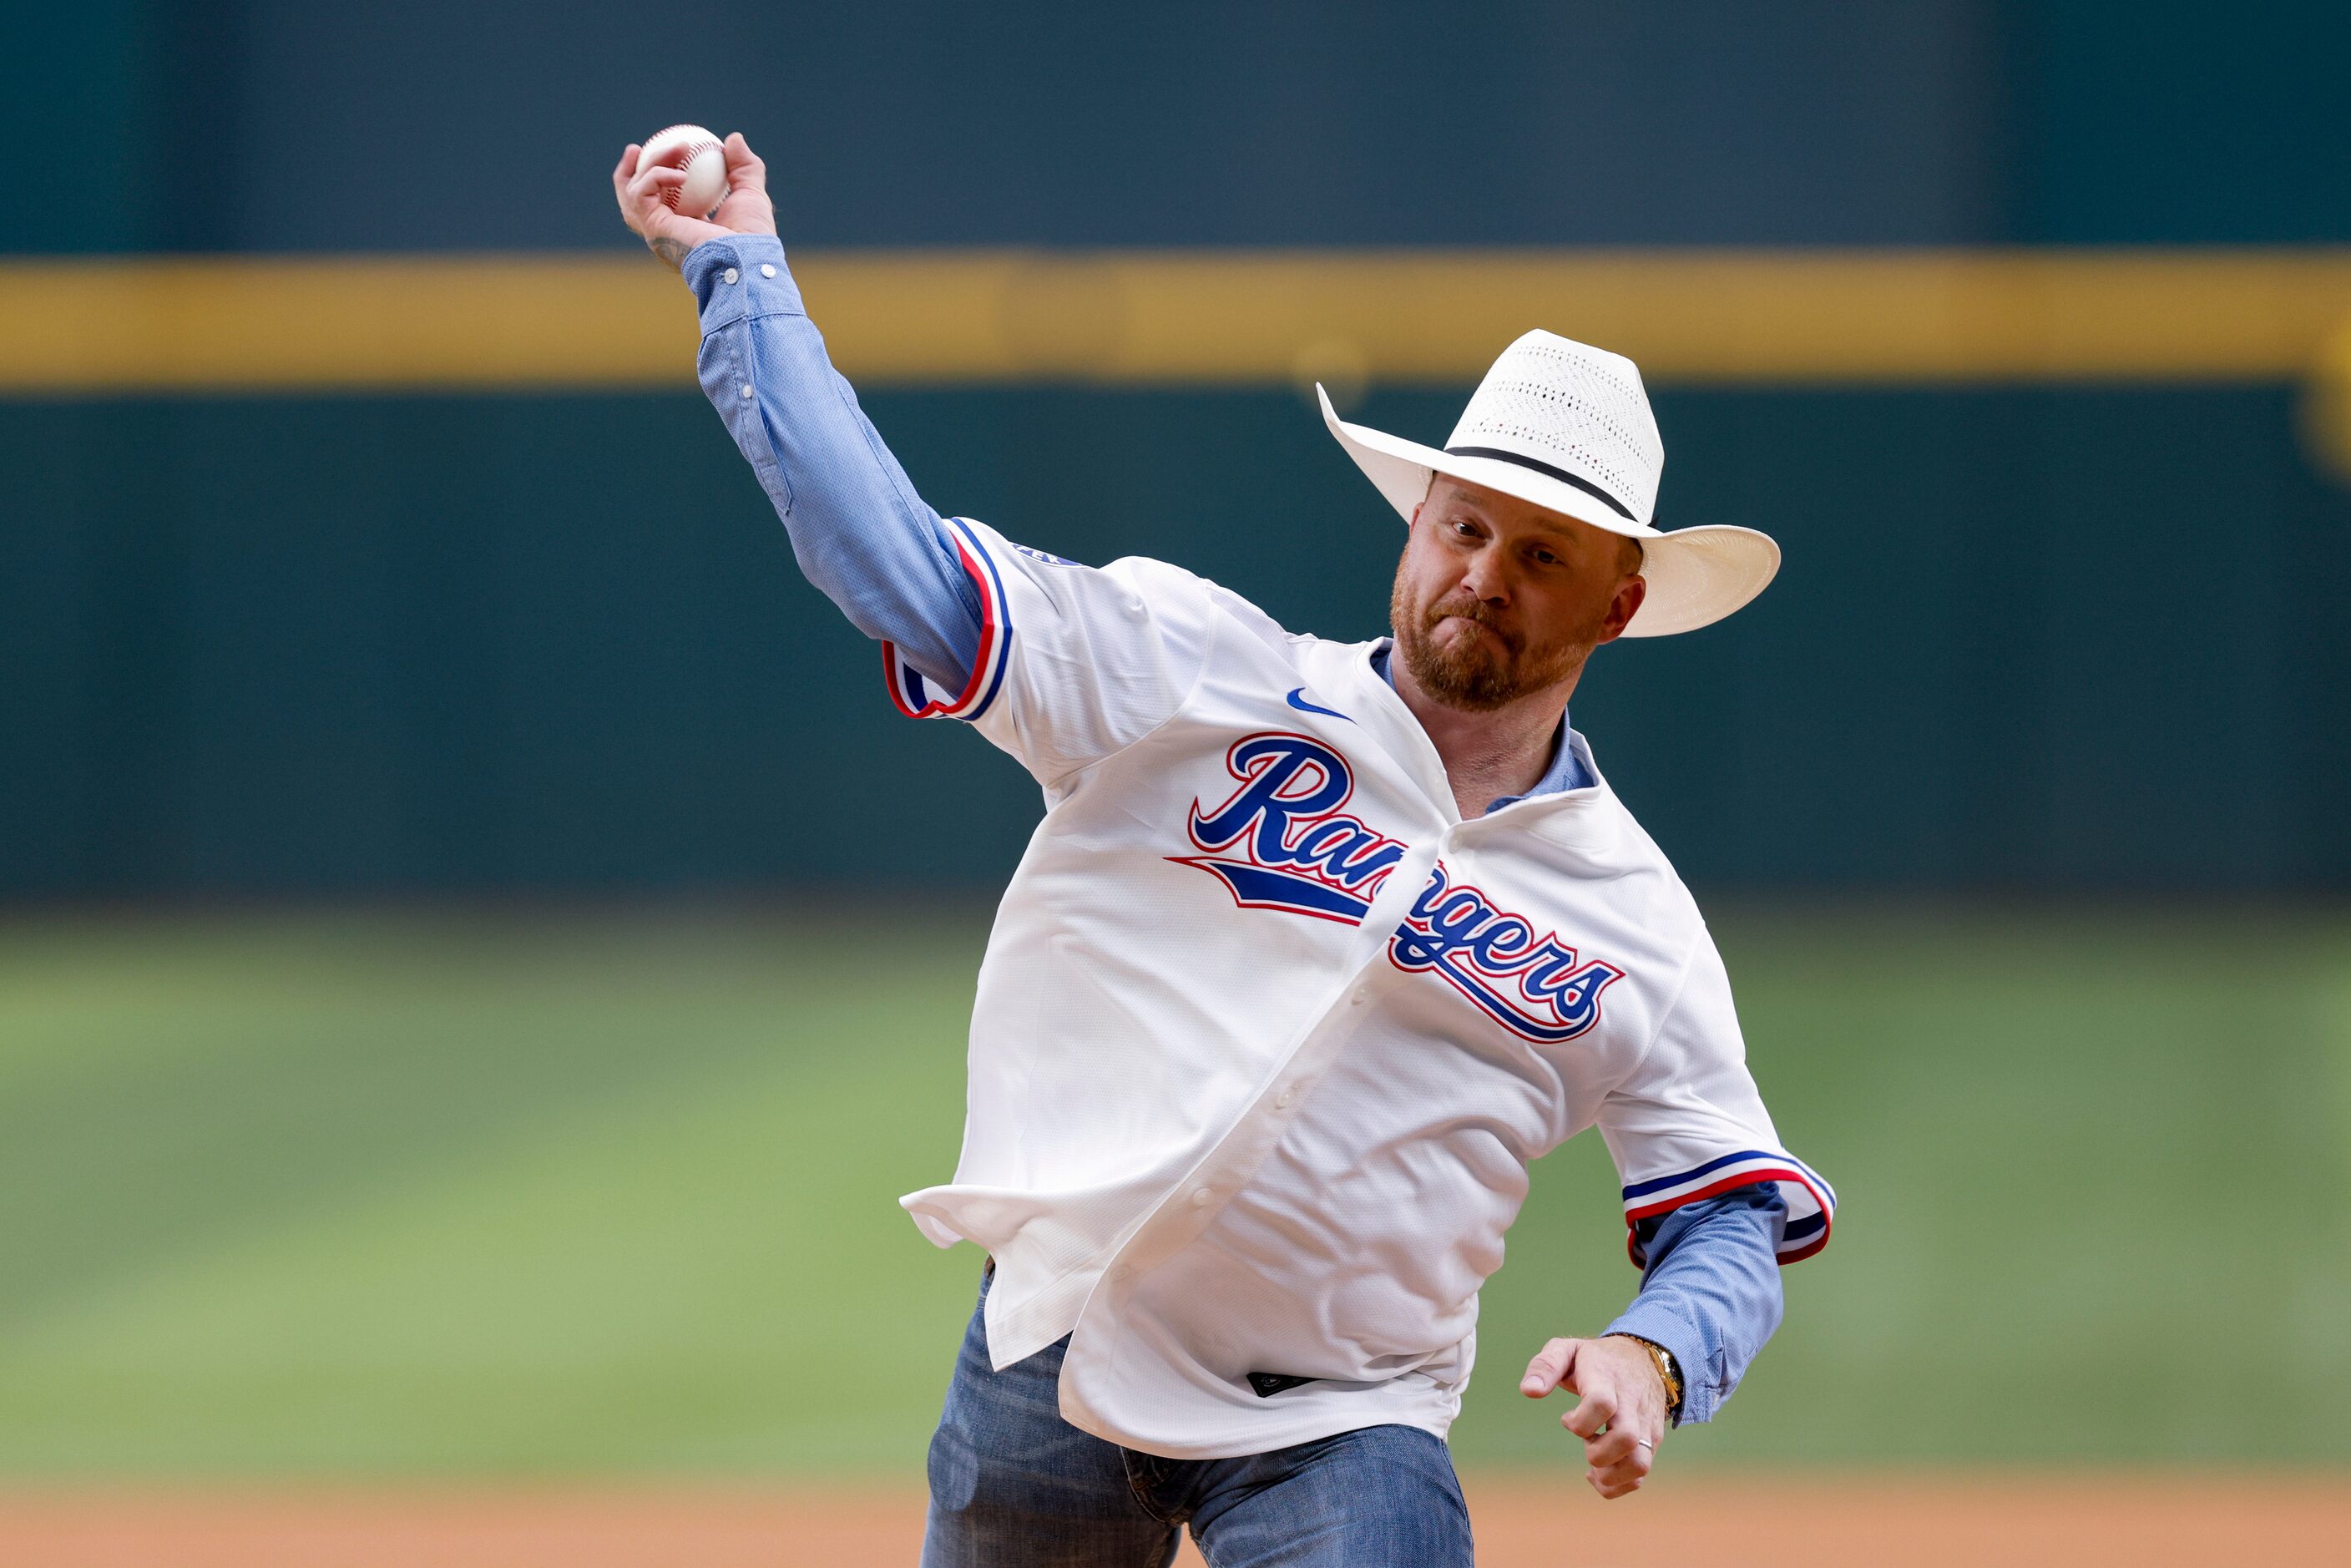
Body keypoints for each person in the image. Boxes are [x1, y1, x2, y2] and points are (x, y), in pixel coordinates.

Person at [613, 134, 1833, 1568]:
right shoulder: (1199, 671)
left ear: (1617, 606)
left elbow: (1736, 1207)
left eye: (1542, 556)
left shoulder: (1634, 912)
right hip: (1055, 1349)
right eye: (1466, 525)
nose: (1484, 575)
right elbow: (898, 562)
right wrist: (740, 273)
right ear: (1419, 518)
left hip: (1342, 1419)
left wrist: (1660, 1353)